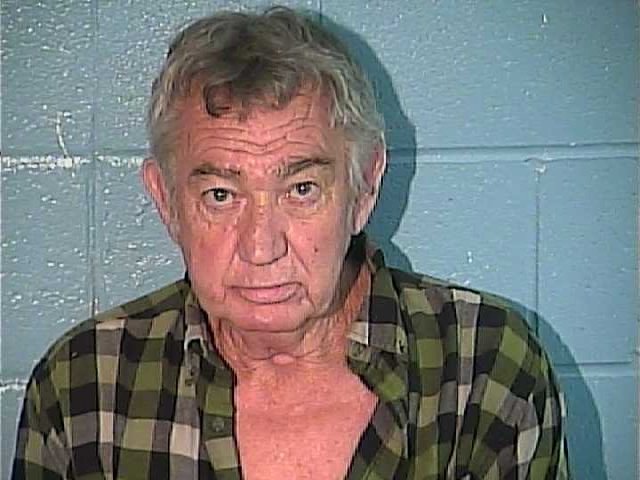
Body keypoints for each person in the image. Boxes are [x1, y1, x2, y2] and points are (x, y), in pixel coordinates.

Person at [12, 6, 568, 479]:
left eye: (301, 190)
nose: (261, 248)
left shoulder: (485, 367)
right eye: (221, 196)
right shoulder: (85, 385)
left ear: (364, 187)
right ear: (166, 200)